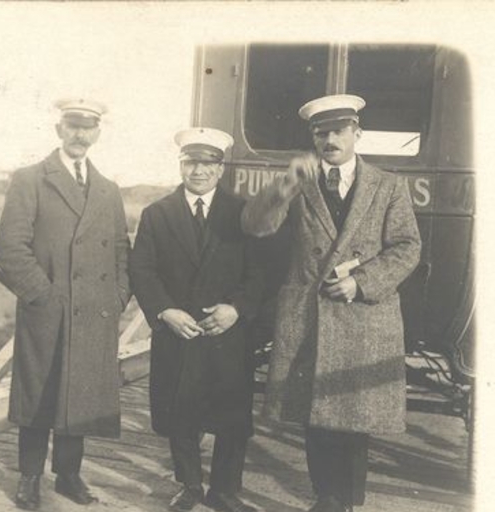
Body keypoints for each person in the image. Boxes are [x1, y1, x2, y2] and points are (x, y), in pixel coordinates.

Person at [240, 95, 422, 512]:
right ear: (313, 139)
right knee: (316, 416)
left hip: (364, 314)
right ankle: (327, 498)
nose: (330, 139)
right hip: (310, 314)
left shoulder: (389, 185)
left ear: (357, 133)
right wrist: (283, 185)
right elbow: (255, 226)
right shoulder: (298, 183)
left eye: (339, 131)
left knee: (356, 417)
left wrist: (362, 283)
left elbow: (408, 247)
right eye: (321, 133)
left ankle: (345, 501)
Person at [0, 98, 131, 511]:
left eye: (88, 128)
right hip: (48, 309)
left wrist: (118, 295)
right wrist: (42, 294)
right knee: (39, 394)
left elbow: (122, 248)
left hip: (93, 310)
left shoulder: (108, 189)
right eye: (72, 126)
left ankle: (69, 476)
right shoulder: (31, 179)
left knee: (81, 396)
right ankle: (30, 477)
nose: (80, 135)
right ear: (59, 129)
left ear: (98, 134)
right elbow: (9, 245)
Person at [129, 128, 263, 512]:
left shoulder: (243, 213)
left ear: (221, 169)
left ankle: (224, 490)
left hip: (227, 332)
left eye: (208, 163)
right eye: (191, 162)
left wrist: (235, 309)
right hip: (178, 330)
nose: (199, 171)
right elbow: (142, 270)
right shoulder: (157, 213)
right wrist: (165, 311)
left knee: (232, 413)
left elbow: (259, 274)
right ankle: (189, 484)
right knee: (180, 409)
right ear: (181, 165)